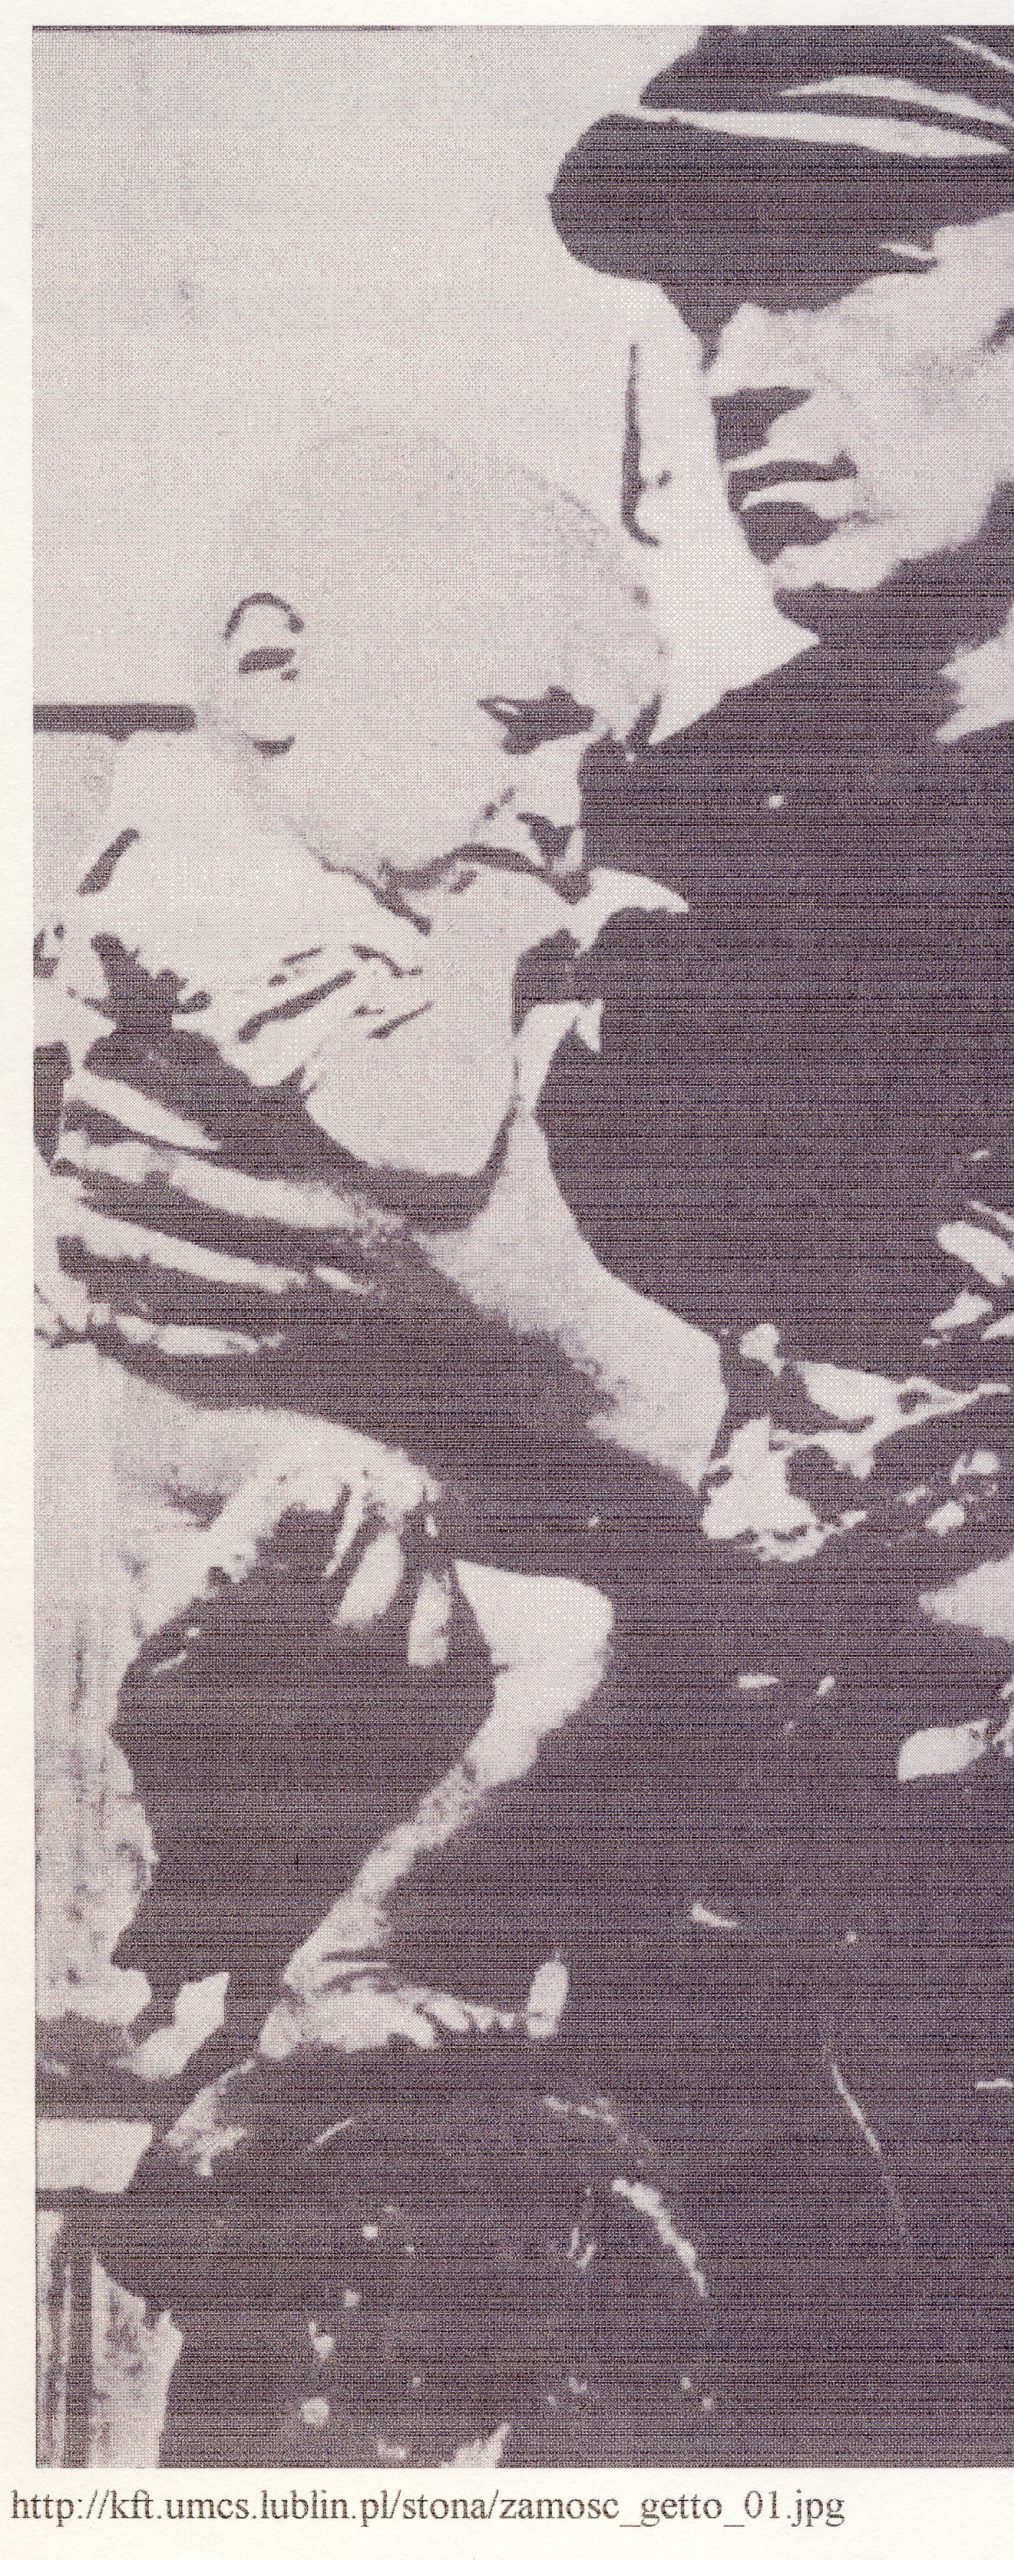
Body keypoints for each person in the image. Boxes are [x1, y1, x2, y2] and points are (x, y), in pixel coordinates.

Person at [49, 27, 1014, 2465]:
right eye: (708, 304)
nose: (743, 374)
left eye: (841, 272)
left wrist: (579, 1348)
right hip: (436, 2245)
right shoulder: (519, 850)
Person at [37, 427, 675, 2055]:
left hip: (267, 1443)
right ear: (273, 674)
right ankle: (231, 1960)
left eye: (599, 765)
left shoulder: (330, 902)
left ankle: (326, 1960)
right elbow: (429, 1140)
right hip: (162, 1447)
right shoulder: (216, 884)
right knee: (427, 1563)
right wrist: (501, 947)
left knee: (560, 1644)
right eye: (520, 729)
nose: (559, 810)